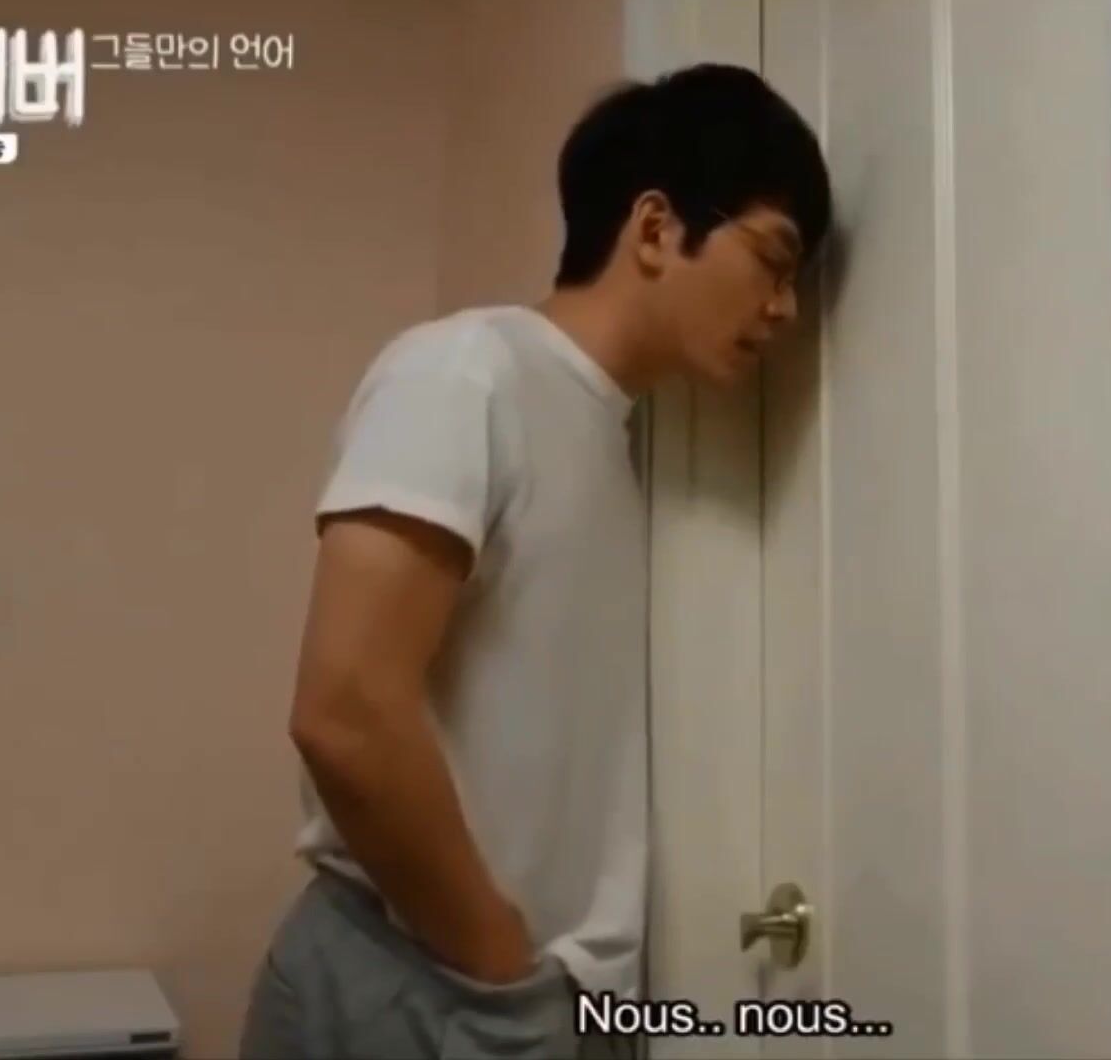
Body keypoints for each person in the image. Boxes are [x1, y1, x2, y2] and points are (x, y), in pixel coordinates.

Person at [237, 62, 832, 1060]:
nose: (786, 310)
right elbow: (344, 712)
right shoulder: (468, 370)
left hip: (520, 995)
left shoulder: (608, 437)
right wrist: (496, 966)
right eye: (773, 259)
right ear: (655, 229)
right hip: (423, 983)